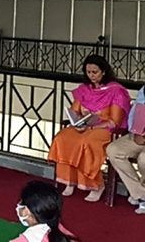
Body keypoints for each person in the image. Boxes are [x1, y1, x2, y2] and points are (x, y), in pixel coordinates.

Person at [47, 55, 130, 202]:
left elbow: (115, 121)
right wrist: (80, 119)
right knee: (63, 138)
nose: (91, 75)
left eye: (94, 72)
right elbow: (74, 112)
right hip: (84, 126)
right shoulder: (84, 90)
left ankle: (96, 185)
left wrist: (92, 125)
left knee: (86, 142)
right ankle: (69, 180)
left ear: (103, 72)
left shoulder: (116, 91)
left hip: (104, 129)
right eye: (88, 72)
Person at [106, 86, 145, 214]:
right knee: (114, 150)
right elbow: (137, 110)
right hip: (138, 135)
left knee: (143, 160)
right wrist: (134, 131)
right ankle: (141, 194)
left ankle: (141, 197)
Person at [12, 181, 78, 242]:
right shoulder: (63, 233)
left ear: (27, 211)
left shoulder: (27, 239)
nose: (18, 205)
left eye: (21, 201)